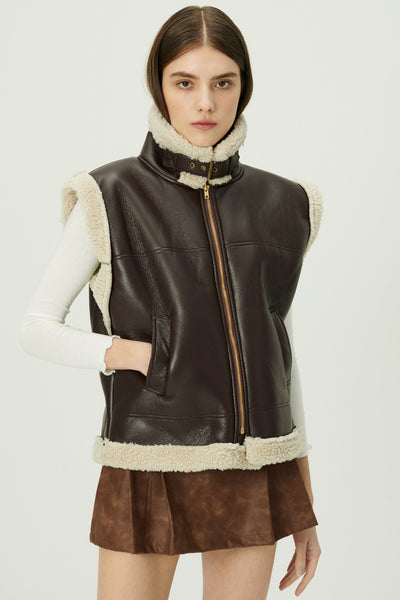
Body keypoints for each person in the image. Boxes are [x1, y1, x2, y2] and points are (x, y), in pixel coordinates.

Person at [19, 6, 323, 599]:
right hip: (147, 461)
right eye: (185, 83)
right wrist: (132, 354)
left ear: (243, 87)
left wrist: (303, 501)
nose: (205, 103)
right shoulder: (109, 195)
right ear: (159, 87)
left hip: (252, 464)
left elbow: (281, 357)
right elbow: (36, 327)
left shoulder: (283, 204)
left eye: (223, 83)